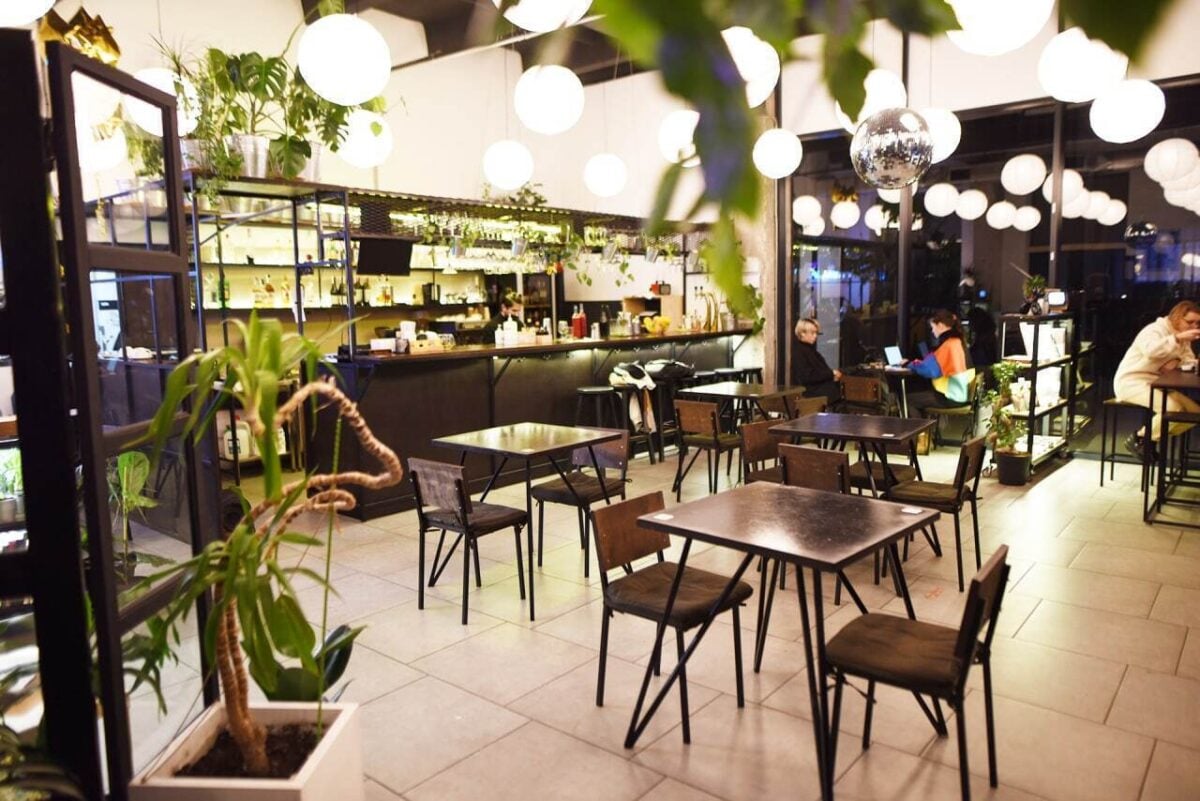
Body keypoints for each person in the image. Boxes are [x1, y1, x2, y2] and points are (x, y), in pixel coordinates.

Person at [1113, 300, 1200, 460]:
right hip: (1132, 381)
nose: (1194, 327)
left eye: (1197, 323)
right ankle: (1141, 439)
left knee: (1195, 413)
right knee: (1174, 410)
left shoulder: (1184, 337)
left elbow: (1186, 361)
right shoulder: (1154, 330)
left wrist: (1180, 360)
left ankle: (1148, 439)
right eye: (1190, 322)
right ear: (1177, 318)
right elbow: (1151, 351)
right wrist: (1177, 339)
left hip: (1157, 384)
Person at [904, 309, 974, 415]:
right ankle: (928, 425)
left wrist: (908, 364)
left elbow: (929, 371)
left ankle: (921, 426)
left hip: (950, 396)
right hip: (961, 394)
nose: (932, 331)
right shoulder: (958, 341)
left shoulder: (948, 345)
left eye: (933, 327)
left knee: (908, 399)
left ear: (940, 325)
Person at [794, 317, 842, 403]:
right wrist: (831, 373)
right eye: (812, 333)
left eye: (816, 333)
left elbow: (821, 370)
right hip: (813, 394)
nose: (815, 336)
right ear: (802, 333)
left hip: (823, 392)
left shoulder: (810, 350)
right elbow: (807, 376)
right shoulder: (799, 352)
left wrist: (833, 376)